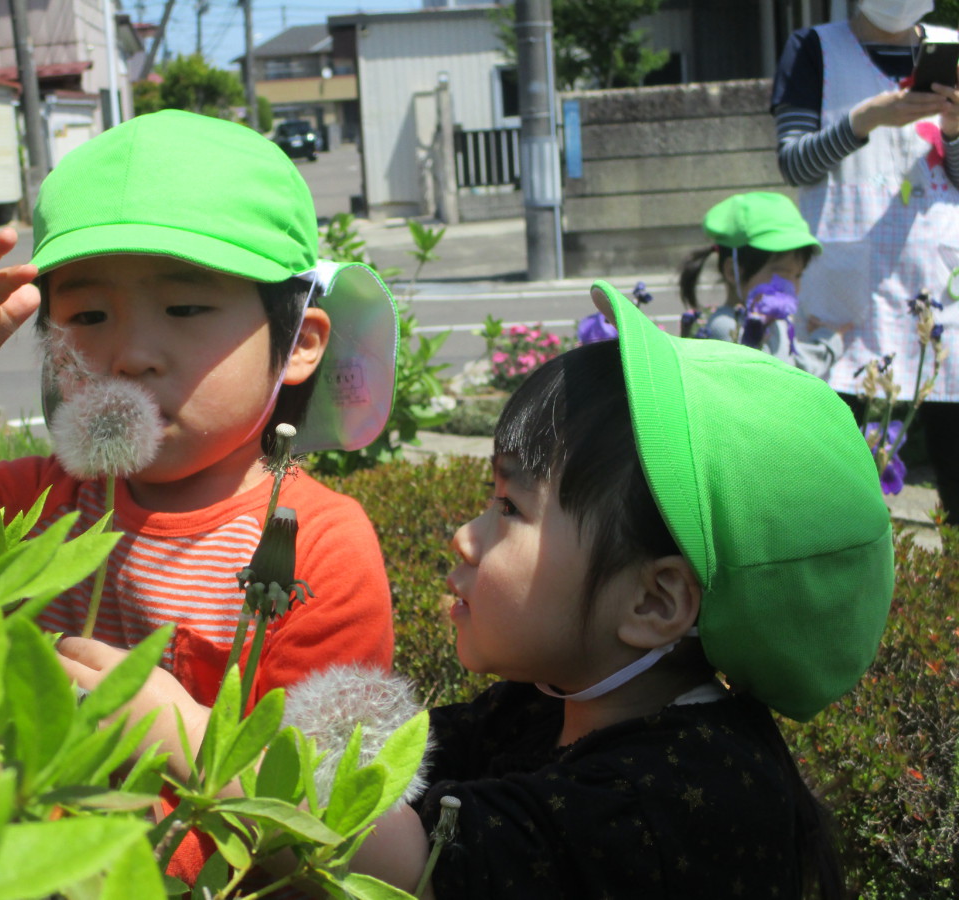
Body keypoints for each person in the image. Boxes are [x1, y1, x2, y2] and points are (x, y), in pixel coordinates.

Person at [59, 281, 894, 899]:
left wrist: (197, 743)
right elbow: (368, 776)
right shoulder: (542, 709)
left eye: (510, 507)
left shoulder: (679, 795)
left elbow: (402, 862)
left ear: (654, 603)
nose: (465, 535)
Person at [0, 110, 400, 879]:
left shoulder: (315, 545)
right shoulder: (27, 501)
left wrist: (195, 747)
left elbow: (333, 816)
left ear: (300, 343)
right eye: (87, 316)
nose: (129, 353)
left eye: (186, 308)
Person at [771, 0, 959, 518]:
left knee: (955, 459)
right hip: (848, 281)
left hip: (941, 284)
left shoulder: (951, 45)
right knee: (832, 464)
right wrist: (865, 120)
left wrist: (954, 129)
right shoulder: (815, 49)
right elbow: (794, 163)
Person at [679, 191, 846, 378]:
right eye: (782, 274)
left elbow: (796, 363)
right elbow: (783, 377)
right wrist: (829, 345)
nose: (792, 287)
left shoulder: (773, 321)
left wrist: (828, 342)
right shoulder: (727, 328)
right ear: (733, 271)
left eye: (798, 275)